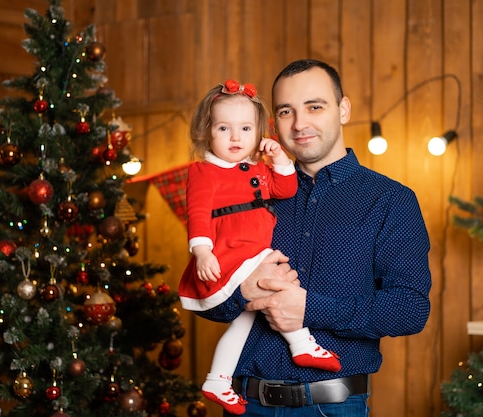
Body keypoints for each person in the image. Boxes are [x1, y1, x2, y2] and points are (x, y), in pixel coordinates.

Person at [196, 60, 432, 416]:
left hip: (332, 407)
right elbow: (206, 293)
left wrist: (311, 309)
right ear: (273, 123)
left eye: (314, 107)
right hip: (246, 404)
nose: (299, 123)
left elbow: (410, 309)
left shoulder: (390, 200)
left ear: (343, 110)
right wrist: (241, 294)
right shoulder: (249, 195)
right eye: (286, 111)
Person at [178, 79, 342, 415]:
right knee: (281, 281)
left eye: (245, 128)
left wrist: (280, 158)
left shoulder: (256, 169)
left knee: (245, 320)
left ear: (259, 132)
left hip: (253, 253)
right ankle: (302, 342)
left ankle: (218, 379)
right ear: (207, 132)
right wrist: (201, 250)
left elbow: (285, 189)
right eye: (224, 128)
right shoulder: (204, 171)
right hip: (232, 252)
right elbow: (196, 211)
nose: (235, 137)